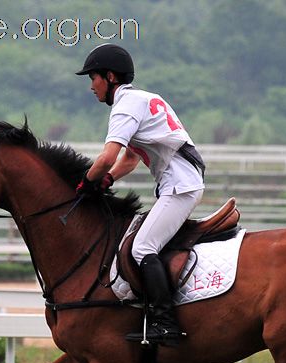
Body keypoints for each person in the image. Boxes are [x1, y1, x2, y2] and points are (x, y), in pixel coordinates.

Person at [75, 44, 205, 346]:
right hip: (182, 182)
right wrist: (106, 179)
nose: (91, 86)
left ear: (109, 77)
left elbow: (108, 156)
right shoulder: (144, 98)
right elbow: (130, 160)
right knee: (141, 244)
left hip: (179, 186)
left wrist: (86, 182)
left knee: (142, 248)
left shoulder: (124, 105)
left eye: (93, 78)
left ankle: (165, 322)